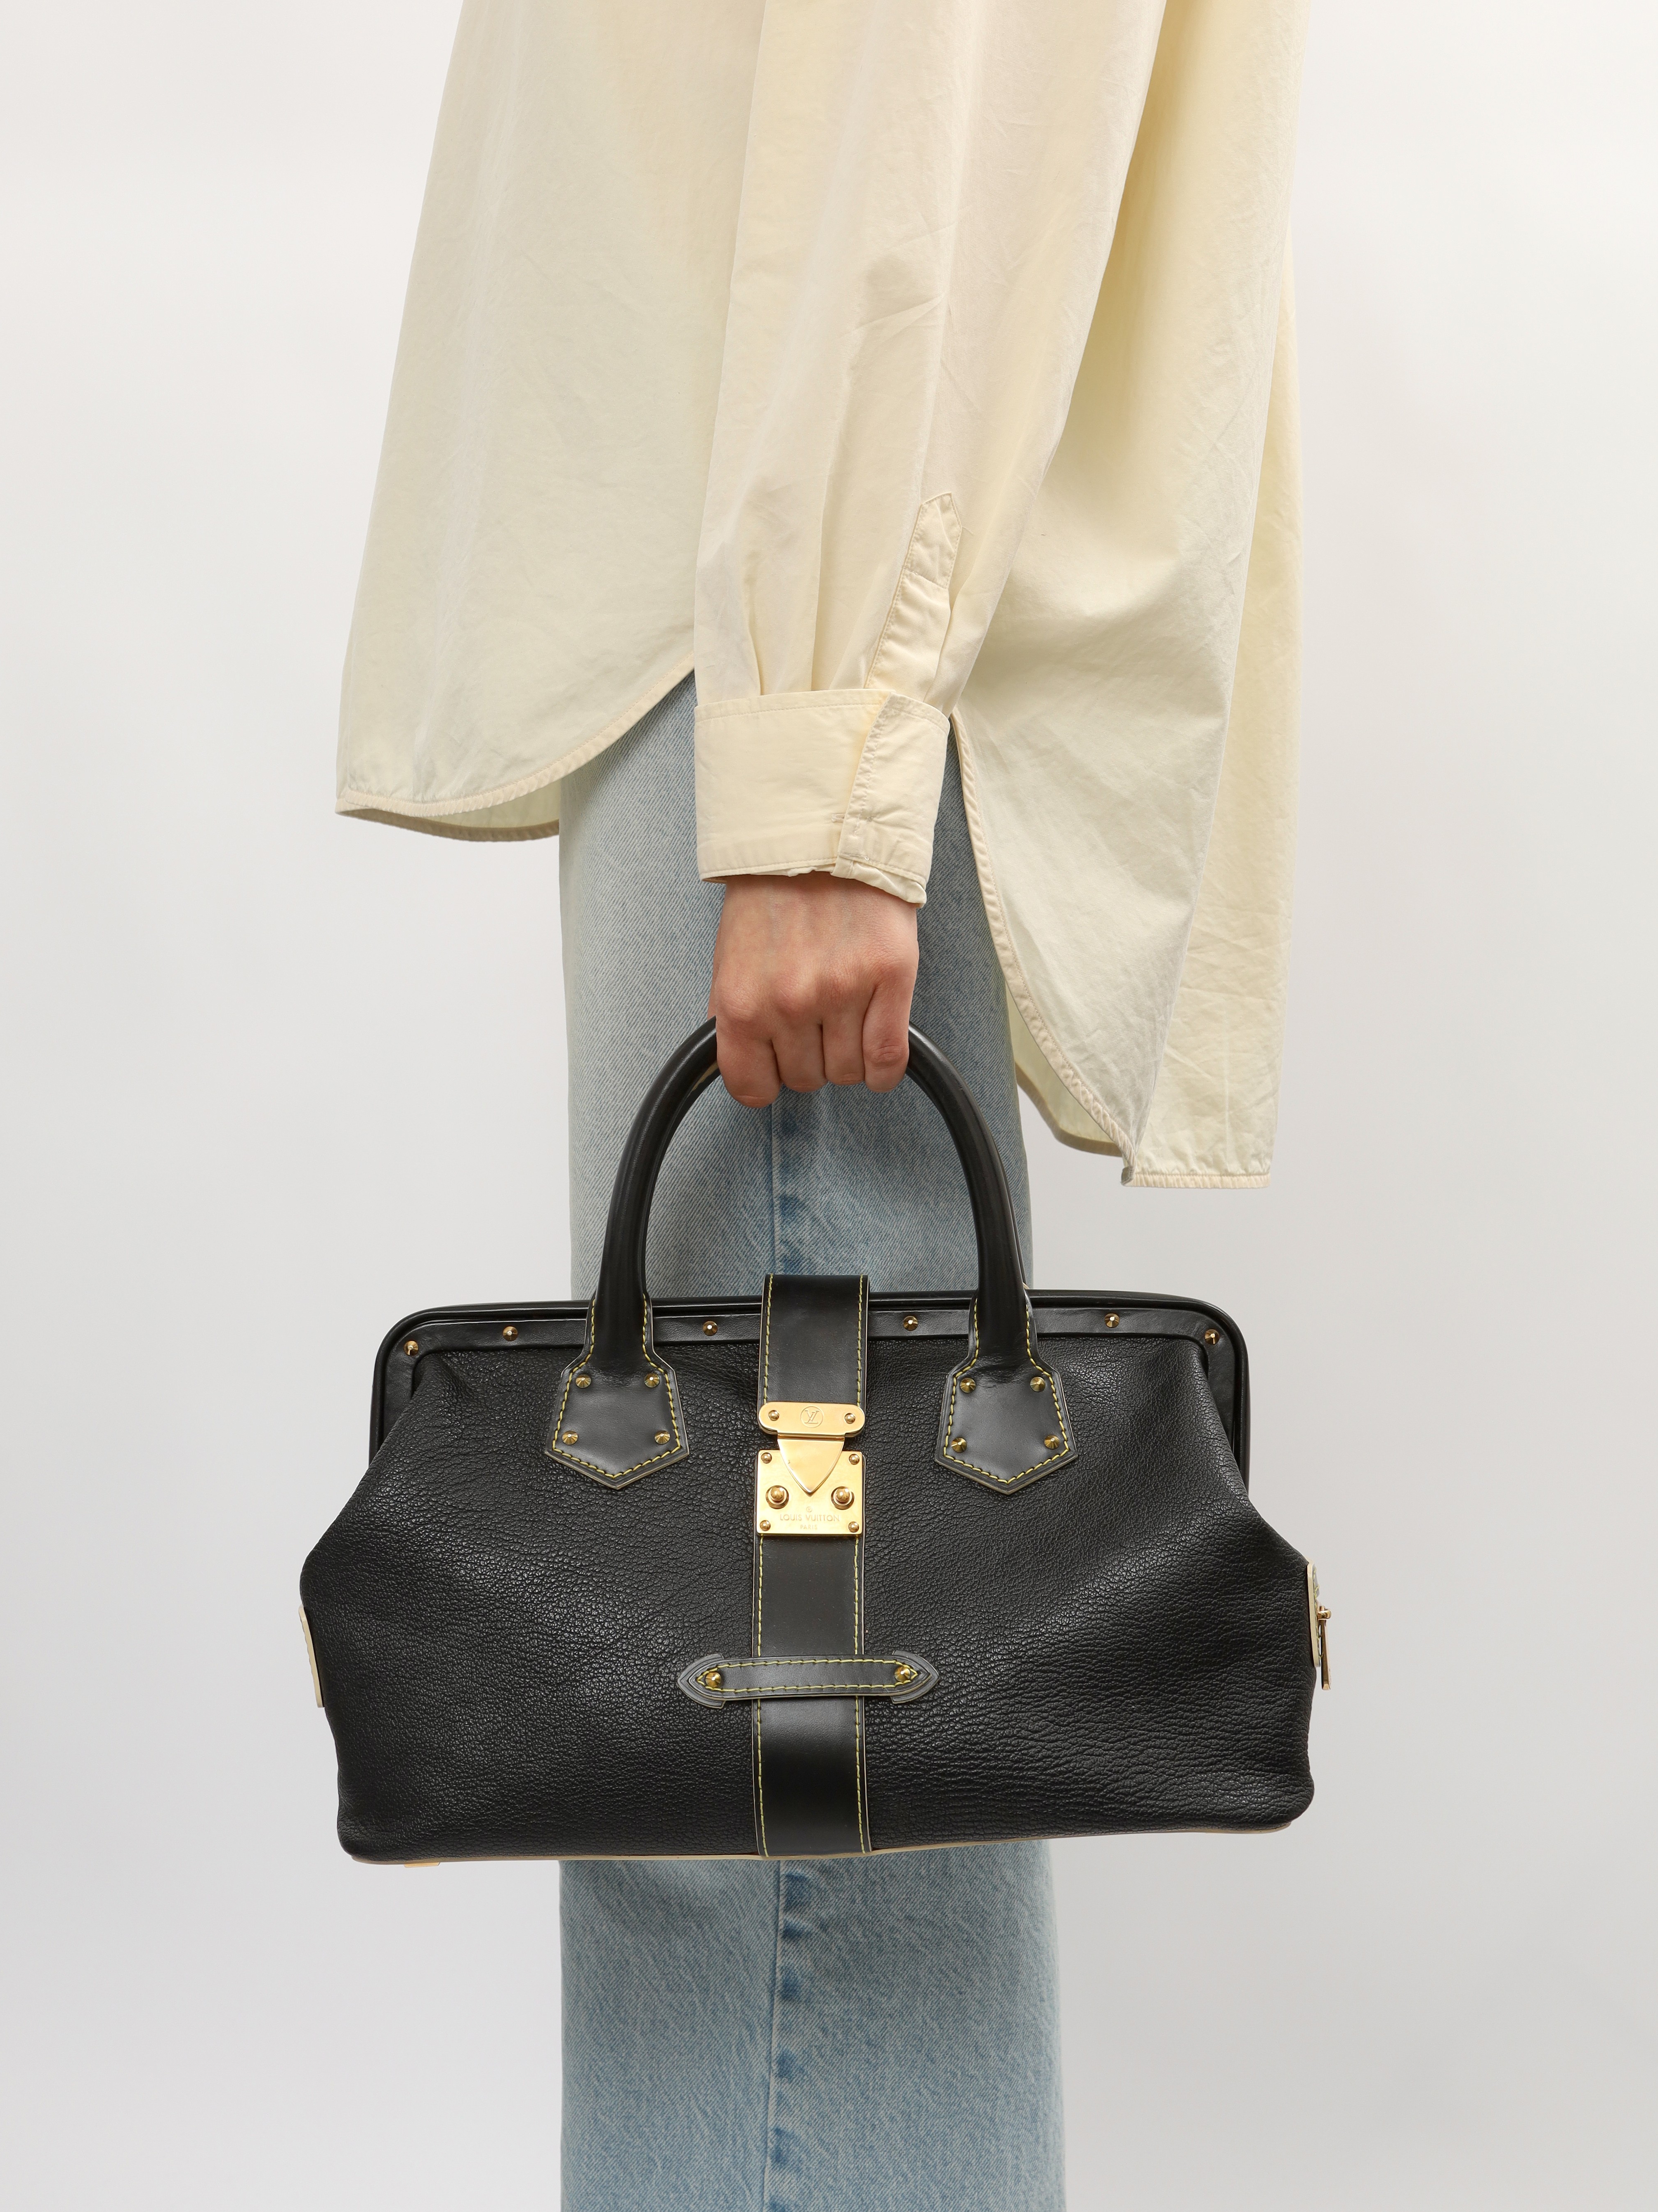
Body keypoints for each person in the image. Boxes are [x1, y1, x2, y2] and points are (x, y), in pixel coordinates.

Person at [335, 4, 1308, 2203]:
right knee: (785, 1726)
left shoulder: (803, 697)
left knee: (771, 1755)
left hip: (786, 640)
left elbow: (926, 87)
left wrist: (819, 760)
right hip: (771, 619)